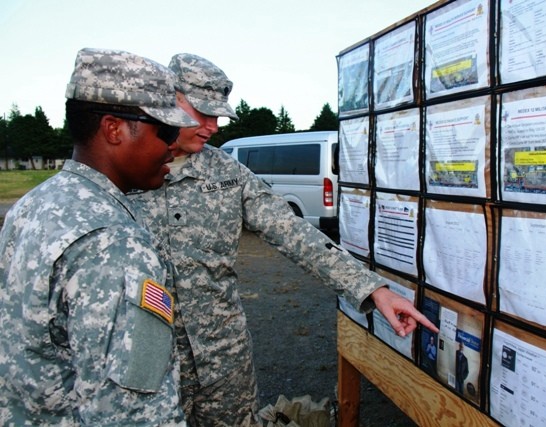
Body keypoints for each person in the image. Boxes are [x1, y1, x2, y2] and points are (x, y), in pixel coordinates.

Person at [128, 53, 439, 427]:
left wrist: (373, 289)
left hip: (224, 363)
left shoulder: (226, 171)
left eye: (218, 116)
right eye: (202, 112)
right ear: (168, 99)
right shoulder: (122, 173)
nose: (213, 126)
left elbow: (292, 232)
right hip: (149, 366)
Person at [0, 47, 198, 425]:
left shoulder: (33, 204)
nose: (174, 145)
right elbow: (132, 412)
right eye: (166, 130)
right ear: (113, 128)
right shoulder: (113, 241)